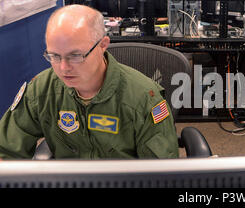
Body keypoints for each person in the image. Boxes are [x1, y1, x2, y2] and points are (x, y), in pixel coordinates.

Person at [0, 5, 179, 159]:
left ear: (102, 45)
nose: (63, 68)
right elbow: (5, 152)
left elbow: (161, 172)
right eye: (54, 56)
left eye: (75, 56)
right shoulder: (41, 90)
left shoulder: (144, 98)